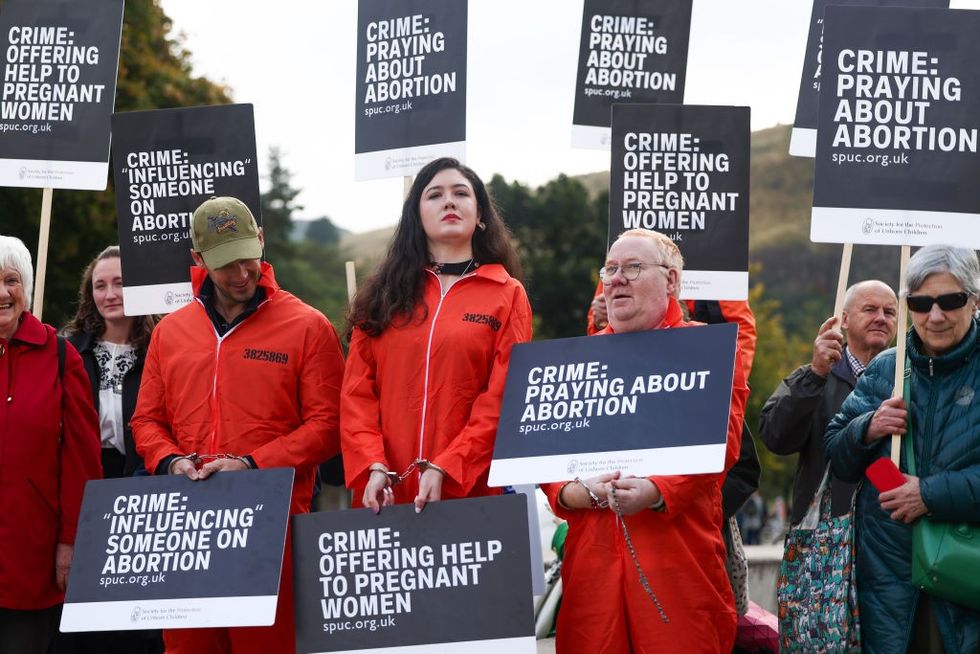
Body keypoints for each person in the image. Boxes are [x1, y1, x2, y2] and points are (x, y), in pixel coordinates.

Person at [131, 197, 345, 654]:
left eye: (248, 256)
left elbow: (329, 424)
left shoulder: (308, 326)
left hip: (274, 529)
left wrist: (253, 463)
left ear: (262, 241)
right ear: (198, 260)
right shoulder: (171, 332)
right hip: (188, 530)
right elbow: (147, 419)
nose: (242, 273)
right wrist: (169, 462)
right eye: (226, 264)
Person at [544, 229, 749, 653]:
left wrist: (657, 491)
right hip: (592, 577)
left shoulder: (710, 352)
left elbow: (722, 450)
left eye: (633, 268)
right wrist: (575, 493)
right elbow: (547, 461)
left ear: (671, 281)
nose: (616, 279)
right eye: (611, 269)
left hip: (676, 568)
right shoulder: (573, 362)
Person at [342, 157, 532, 513]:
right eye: (434, 195)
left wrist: (450, 465)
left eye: (461, 193)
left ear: (481, 216)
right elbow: (356, 395)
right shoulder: (382, 293)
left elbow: (503, 396)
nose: (449, 201)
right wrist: (372, 465)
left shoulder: (507, 294)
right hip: (382, 494)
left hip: (465, 491)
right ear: (417, 216)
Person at [826, 245, 980, 653]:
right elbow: (838, 456)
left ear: (975, 301)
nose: (935, 315)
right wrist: (868, 427)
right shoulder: (886, 368)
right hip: (888, 586)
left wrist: (928, 495)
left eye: (950, 301)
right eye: (921, 302)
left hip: (968, 579)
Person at [56, 246, 162, 653]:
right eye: (100, 285)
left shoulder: (162, 347)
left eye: (120, 282)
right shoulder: (67, 351)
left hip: (141, 487)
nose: (110, 293)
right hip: (84, 487)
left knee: (137, 615)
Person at [0, 235, 102, 653]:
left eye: (11, 280)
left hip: (32, 557)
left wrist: (71, 541)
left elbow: (82, 459)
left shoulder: (59, 355)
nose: (2, 293)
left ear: (25, 286)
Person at [760, 280, 898, 526]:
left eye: (889, 312)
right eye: (870, 309)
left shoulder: (909, 380)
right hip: (824, 539)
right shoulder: (813, 377)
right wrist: (814, 376)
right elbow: (775, 437)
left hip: (888, 531)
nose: (881, 318)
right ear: (844, 320)